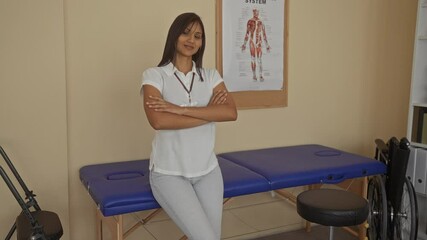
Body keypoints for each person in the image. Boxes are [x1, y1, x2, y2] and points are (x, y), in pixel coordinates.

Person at [140, 12, 237, 240]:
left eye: (198, 36)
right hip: (169, 174)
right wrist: (210, 113)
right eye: (185, 33)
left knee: (211, 236)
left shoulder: (211, 76)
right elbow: (159, 121)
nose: (191, 40)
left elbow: (231, 113)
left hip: (209, 172)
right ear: (174, 35)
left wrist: (179, 109)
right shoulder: (155, 76)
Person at [241, 8, 271, 82]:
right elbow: (247, 33)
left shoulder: (261, 22)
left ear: (258, 12)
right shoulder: (250, 21)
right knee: (253, 59)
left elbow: (264, 35)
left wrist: (267, 45)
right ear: (253, 12)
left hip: (259, 43)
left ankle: (260, 75)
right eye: (255, 12)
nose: (256, 13)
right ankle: (254, 75)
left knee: (259, 60)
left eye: (257, 12)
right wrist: (244, 44)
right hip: (252, 43)